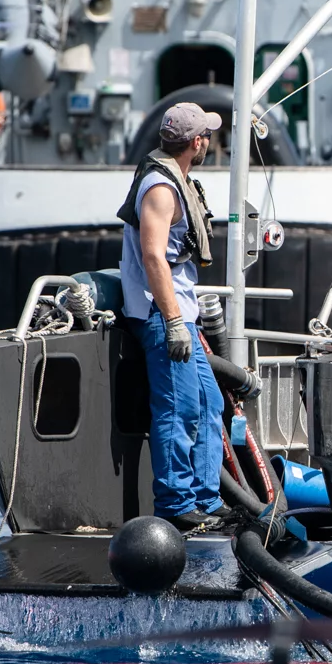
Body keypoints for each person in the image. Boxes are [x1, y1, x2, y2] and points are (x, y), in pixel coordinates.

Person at [117, 102, 226, 529]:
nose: (209, 143)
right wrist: (175, 321)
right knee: (177, 408)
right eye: (207, 137)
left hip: (179, 313)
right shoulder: (161, 188)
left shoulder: (177, 179)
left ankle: (206, 499)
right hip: (164, 316)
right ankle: (177, 505)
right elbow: (153, 257)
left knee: (209, 402)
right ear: (196, 142)